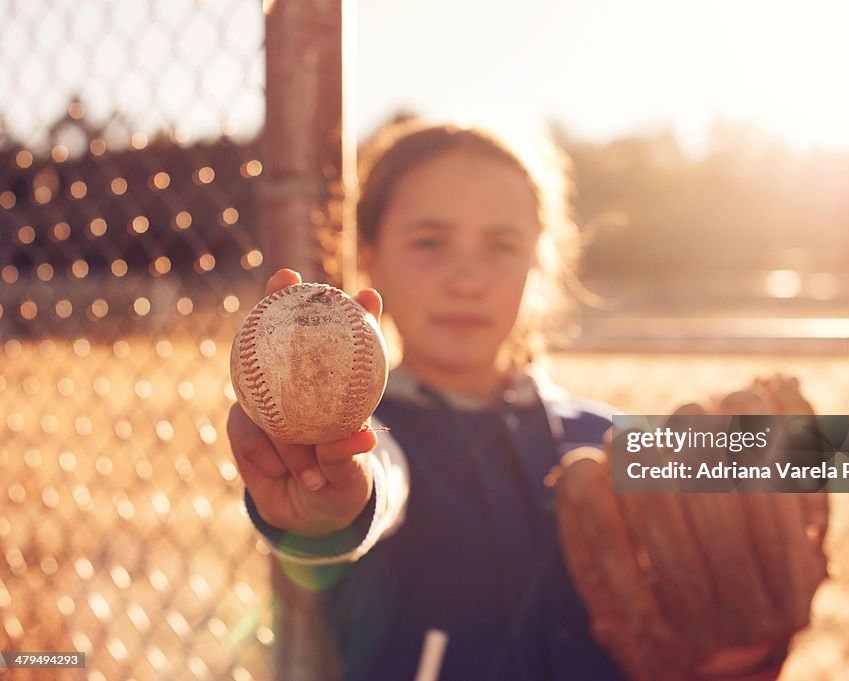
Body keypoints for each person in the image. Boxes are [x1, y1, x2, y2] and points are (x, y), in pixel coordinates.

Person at [227, 120, 627, 680]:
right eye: (430, 242)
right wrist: (333, 507)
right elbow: (379, 483)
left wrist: (790, 448)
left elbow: (776, 456)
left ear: (538, 262)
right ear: (369, 256)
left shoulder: (601, 435)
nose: (467, 280)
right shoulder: (368, 437)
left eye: (501, 245)